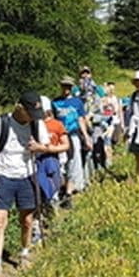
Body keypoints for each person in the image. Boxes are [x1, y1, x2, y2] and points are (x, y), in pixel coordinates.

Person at [0, 91, 50, 277]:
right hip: (3, 175)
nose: (32, 118)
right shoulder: (3, 122)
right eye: (30, 113)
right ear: (19, 107)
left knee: (27, 220)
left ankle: (24, 253)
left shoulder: (37, 124)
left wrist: (38, 147)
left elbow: (45, 146)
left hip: (27, 176)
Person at [32, 96, 71, 243]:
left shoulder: (57, 125)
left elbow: (66, 145)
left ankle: (51, 219)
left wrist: (49, 149)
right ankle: (36, 227)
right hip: (35, 163)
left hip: (51, 161)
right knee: (36, 196)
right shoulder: (32, 125)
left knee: (49, 192)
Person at [52, 76, 92, 208]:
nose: (66, 89)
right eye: (64, 86)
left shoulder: (77, 102)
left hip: (73, 135)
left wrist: (86, 136)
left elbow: (81, 120)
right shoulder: (55, 102)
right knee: (59, 164)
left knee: (73, 163)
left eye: (68, 86)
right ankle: (59, 190)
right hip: (59, 137)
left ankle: (69, 193)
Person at [102, 82, 124, 166]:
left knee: (115, 141)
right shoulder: (103, 99)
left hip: (116, 122)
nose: (111, 90)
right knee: (107, 142)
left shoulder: (117, 99)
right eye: (109, 88)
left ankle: (112, 158)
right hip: (106, 123)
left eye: (112, 89)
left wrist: (122, 124)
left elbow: (120, 112)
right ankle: (108, 161)